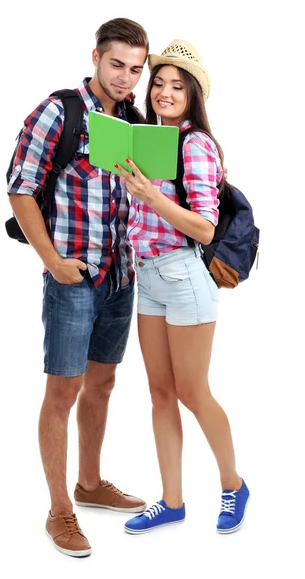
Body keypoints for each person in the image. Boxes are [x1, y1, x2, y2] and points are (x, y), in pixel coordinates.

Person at [7, 18, 149, 558]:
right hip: (73, 278)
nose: (126, 78)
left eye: (136, 69)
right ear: (95, 57)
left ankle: (90, 485)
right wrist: (53, 261)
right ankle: (60, 510)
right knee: (61, 393)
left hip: (120, 276)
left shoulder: (134, 119)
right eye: (117, 65)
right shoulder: (58, 112)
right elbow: (20, 189)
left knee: (103, 384)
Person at [114, 39, 250, 535]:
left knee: (193, 392)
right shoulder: (145, 139)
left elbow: (205, 229)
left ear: (192, 96)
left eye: (177, 86)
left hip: (184, 276)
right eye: (160, 84)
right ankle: (172, 501)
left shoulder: (194, 144)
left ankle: (234, 485)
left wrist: (149, 194)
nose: (165, 93)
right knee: (159, 393)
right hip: (147, 275)